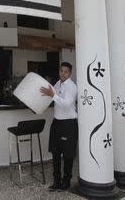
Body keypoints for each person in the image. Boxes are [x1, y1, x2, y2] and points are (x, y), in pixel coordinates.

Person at [40, 62, 78, 191]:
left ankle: (66, 182)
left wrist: (53, 95)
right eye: (61, 71)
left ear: (70, 73)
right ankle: (56, 181)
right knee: (55, 153)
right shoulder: (58, 83)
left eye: (66, 71)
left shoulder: (72, 87)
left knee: (68, 156)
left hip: (68, 124)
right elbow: (52, 97)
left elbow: (66, 104)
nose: (63, 73)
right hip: (57, 123)